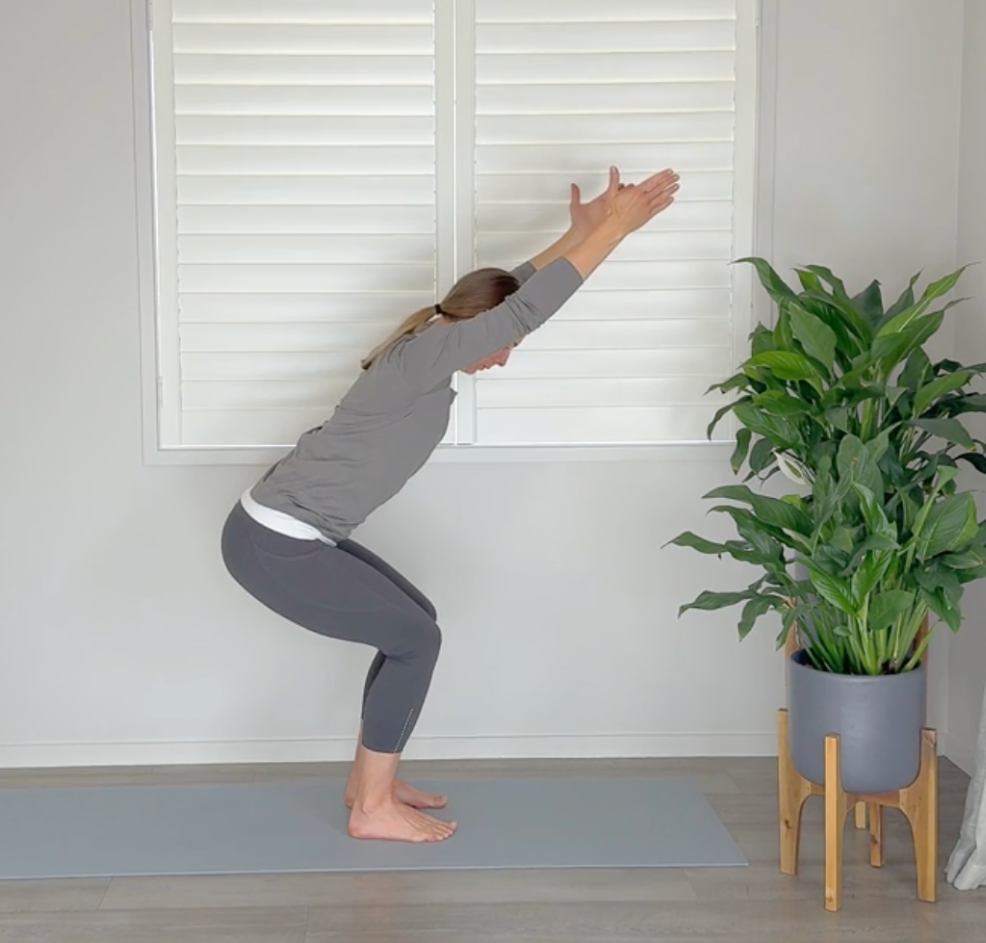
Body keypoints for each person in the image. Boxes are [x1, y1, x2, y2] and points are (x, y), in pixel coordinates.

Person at [219, 167, 681, 843]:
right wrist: (613, 230)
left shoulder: (430, 345)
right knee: (417, 640)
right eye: (507, 346)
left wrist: (570, 236)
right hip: (274, 542)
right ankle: (371, 809)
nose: (505, 357)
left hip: (291, 534)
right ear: (478, 330)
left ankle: (367, 781)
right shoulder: (429, 353)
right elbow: (522, 308)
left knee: (415, 622)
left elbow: (512, 296)